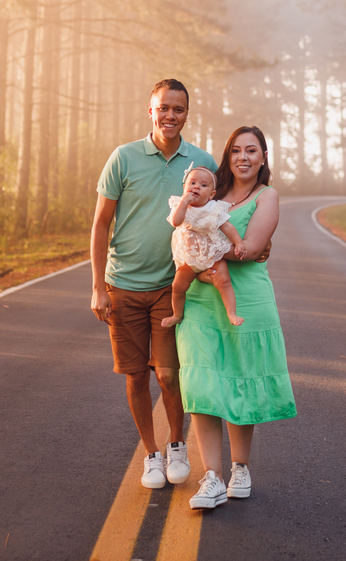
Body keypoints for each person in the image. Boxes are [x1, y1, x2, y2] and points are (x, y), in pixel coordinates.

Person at [90, 79, 217, 489]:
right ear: (151, 111)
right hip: (122, 284)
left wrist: (257, 247)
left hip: (171, 285)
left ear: (186, 114)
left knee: (167, 374)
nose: (170, 115)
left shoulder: (201, 163)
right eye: (163, 108)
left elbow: (226, 214)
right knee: (135, 377)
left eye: (178, 109)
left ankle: (177, 444)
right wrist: (97, 286)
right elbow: (100, 224)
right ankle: (151, 455)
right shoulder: (123, 158)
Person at [175, 125, 297, 510]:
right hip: (199, 297)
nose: (243, 157)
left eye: (252, 150)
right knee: (202, 383)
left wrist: (199, 241)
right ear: (227, 157)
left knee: (240, 381)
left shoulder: (268, 196)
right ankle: (210, 476)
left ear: (263, 157)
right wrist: (199, 239)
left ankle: (239, 468)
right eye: (236, 151)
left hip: (246, 300)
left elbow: (252, 247)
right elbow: (181, 229)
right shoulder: (211, 193)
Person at [161, 165, 246, 329]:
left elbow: (227, 227)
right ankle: (177, 315)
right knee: (178, 286)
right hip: (189, 254)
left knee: (224, 280)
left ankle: (231, 313)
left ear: (212, 194)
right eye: (192, 183)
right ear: (184, 187)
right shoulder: (180, 205)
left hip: (212, 252)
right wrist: (184, 203)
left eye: (203, 185)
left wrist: (239, 242)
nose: (196, 187)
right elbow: (175, 222)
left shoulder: (213, 208)